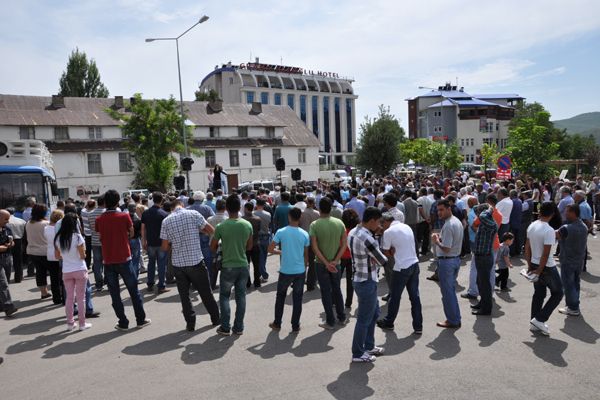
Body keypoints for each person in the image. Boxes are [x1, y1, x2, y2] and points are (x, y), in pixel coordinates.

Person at [160, 199, 220, 331]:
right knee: (206, 293)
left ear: (171, 208)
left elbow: (164, 247)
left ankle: (190, 323)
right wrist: (198, 232)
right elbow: (211, 230)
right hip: (195, 261)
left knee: (184, 296)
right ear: (182, 205)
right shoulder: (193, 214)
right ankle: (216, 318)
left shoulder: (166, 221)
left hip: (178, 264)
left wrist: (174, 244)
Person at [96, 190, 151, 331]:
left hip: (108, 259)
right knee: (133, 290)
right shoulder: (124, 216)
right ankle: (140, 319)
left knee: (115, 294)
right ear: (117, 202)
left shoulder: (99, 219)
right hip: (124, 258)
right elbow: (131, 232)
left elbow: (99, 234)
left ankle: (123, 321)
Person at [348, 207, 388, 363]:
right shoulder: (367, 238)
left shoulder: (353, 232)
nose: (379, 225)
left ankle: (368, 345)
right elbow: (382, 260)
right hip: (367, 281)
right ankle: (358, 353)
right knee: (365, 318)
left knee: (373, 314)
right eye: (378, 222)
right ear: (372, 221)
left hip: (360, 278)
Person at [210, 195, 253, 336]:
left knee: (224, 296)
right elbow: (249, 246)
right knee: (241, 297)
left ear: (227, 209)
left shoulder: (221, 226)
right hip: (243, 265)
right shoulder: (247, 225)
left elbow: (212, 247)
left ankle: (225, 327)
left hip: (227, 266)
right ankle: (239, 327)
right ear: (239, 207)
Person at [376, 212, 422, 333]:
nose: (381, 227)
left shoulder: (388, 232)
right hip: (414, 264)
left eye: (381, 224)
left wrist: (392, 251)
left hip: (401, 267)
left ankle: (389, 321)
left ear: (385, 222)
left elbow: (386, 253)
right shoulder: (406, 226)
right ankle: (418, 326)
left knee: (395, 296)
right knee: (415, 297)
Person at [268, 207, 310, 332]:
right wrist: (305, 268)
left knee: (280, 296)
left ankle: (277, 323)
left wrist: (280, 252)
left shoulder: (281, 232)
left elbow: (270, 249)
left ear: (289, 217)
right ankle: (295, 325)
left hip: (286, 270)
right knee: (297, 299)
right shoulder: (304, 234)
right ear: (300, 218)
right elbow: (306, 256)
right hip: (300, 270)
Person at [525, 201, 563, 336]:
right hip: (546, 266)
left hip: (535, 264)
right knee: (558, 293)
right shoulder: (549, 230)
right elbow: (546, 254)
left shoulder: (532, 225)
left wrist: (530, 265)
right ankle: (539, 319)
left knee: (539, 294)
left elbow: (527, 248)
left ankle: (534, 322)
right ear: (552, 214)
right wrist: (540, 270)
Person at [310, 197, 348, 330]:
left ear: (319, 208)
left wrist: (326, 263)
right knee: (337, 290)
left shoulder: (314, 225)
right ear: (331, 208)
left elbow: (315, 247)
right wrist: (335, 260)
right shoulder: (339, 223)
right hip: (335, 263)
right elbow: (344, 244)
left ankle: (330, 321)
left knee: (326, 292)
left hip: (321, 264)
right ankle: (342, 317)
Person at [54, 212, 92, 331]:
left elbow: (57, 256)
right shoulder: (77, 237)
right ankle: (82, 323)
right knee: (81, 298)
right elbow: (82, 256)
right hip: (79, 269)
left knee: (69, 298)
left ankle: (70, 323)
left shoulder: (58, 238)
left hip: (66, 271)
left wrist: (67, 256)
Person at [432, 199, 464, 328]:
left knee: (447, 293)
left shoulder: (450, 224)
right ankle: (455, 317)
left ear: (448, 209)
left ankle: (452, 320)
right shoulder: (455, 221)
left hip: (447, 261)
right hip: (454, 259)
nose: (439, 213)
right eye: (438, 210)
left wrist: (436, 241)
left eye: (441, 210)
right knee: (450, 291)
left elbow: (446, 248)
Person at [26, 204, 62, 303]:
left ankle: (44, 292)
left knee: (40, 272)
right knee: (54, 274)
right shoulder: (46, 224)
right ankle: (57, 295)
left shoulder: (28, 223)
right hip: (45, 252)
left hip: (32, 251)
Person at [556, 204, 588, 317]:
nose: (565, 213)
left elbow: (556, 235)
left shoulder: (567, 228)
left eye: (567, 211)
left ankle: (573, 307)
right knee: (575, 283)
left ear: (573, 213)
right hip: (579, 260)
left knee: (568, 284)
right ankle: (574, 305)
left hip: (568, 260)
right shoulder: (583, 226)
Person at [471, 205, 497, 316]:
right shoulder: (486, 222)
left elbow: (482, 215)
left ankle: (486, 309)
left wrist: (489, 209)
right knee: (480, 282)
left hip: (484, 257)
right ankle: (482, 303)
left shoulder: (490, 223)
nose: (478, 217)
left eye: (479, 214)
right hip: (481, 256)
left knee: (484, 285)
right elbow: (477, 210)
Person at [141, 192, 169, 294]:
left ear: (152, 199)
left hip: (150, 242)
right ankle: (161, 286)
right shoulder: (164, 214)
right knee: (161, 265)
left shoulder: (146, 213)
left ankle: (150, 284)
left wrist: (144, 241)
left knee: (151, 264)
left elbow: (143, 229)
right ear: (161, 200)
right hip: (162, 243)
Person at [299, 197, 320, 291]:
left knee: (302, 261)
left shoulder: (302, 213)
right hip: (312, 240)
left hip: (302, 239)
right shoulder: (317, 213)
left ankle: (300, 280)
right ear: (313, 203)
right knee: (312, 262)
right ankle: (311, 282)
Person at [340, 209, 359, 308]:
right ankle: (348, 302)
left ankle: (335, 300)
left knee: (336, 280)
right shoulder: (356, 232)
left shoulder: (341, 230)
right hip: (352, 258)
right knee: (350, 281)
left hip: (341, 257)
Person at [0, 210, 18, 317]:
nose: (7, 221)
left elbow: (12, 240)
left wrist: (11, 243)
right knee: (3, 284)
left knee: (5, 281)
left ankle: (2, 304)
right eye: (5, 219)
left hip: (7, 257)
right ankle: (8, 306)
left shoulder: (7, 229)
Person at [207, 199, 227, 289]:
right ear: (225, 208)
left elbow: (207, 232)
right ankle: (225, 284)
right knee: (224, 265)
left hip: (212, 244)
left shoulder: (210, 219)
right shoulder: (227, 219)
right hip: (224, 245)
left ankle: (212, 284)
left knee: (213, 266)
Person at [242, 202, 262, 288]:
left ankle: (247, 282)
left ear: (246, 209)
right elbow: (259, 230)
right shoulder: (257, 219)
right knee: (256, 264)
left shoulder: (242, 219)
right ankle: (257, 282)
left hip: (245, 245)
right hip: (255, 243)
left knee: (246, 265)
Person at [88, 195, 106, 291]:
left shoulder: (90, 214)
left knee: (97, 263)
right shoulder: (105, 213)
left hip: (94, 241)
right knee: (107, 262)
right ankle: (107, 280)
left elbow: (91, 228)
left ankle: (99, 283)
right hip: (105, 241)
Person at [6, 208, 26, 283]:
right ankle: (19, 277)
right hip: (18, 240)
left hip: (6, 241)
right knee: (18, 260)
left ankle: (6, 278)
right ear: (14, 212)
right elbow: (25, 232)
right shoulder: (21, 221)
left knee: (6, 259)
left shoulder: (4, 221)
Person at [127, 203, 143, 278]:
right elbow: (140, 231)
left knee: (128, 259)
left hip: (127, 240)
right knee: (136, 259)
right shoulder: (137, 219)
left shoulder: (125, 218)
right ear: (135, 209)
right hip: (135, 240)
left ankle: (130, 274)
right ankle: (135, 276)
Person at [80, 200, 96, 270]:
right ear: (94, 205)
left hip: (87, 233)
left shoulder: (83, 212)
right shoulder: (94, 213)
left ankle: (87, 264)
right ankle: (95, 265)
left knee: (88, 250)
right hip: (94, 234)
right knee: (95, 251)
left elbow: (84, 207)